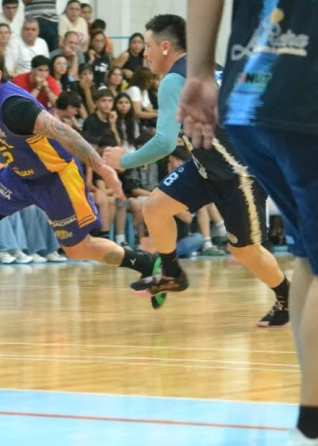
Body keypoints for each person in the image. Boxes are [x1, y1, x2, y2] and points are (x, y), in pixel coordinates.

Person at [177, 1, 318, 444]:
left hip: (246, 93)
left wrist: (198, 72)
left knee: (314, 254)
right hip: (317, 90)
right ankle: (315, 431)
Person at [0, 45, 159, 309]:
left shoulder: (15, 106)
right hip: (18, 175)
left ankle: (144, 263)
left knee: (78, 250)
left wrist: (103, 168)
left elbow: (64, 132)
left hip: (55, 178)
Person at [103, 15, 290, 321]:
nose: (145, 53)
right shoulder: (212, 69)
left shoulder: (174, 81)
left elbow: (164, 143)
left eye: (148, 46)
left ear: (165, 47)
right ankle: (173, 273)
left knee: (246, 252)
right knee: (155, 208)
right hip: (206, 165)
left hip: (239, 174)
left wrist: (122, 160)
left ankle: (287, 297)